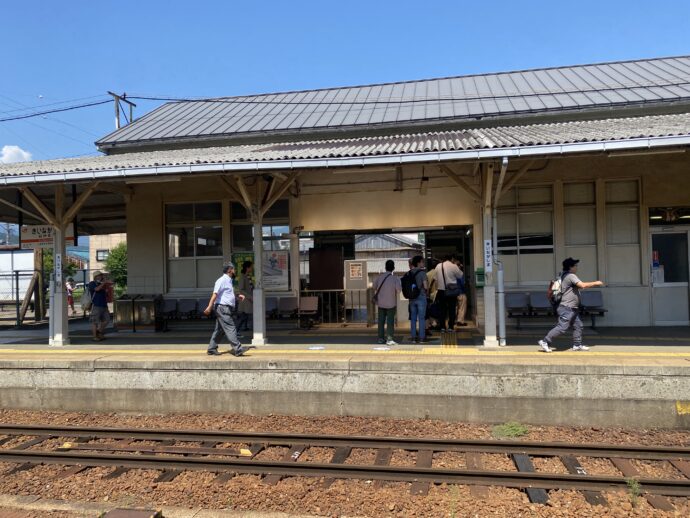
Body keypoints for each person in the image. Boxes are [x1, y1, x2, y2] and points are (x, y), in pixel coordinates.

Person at [539, 258, 604, 352]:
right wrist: (596, 283)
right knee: (562, 327)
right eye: (575, 265)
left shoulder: (563, 275)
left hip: (572, 308)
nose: (577, 267)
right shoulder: (570, 276)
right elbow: (582, 285)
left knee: (578, 325)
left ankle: (577, 345)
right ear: (571, 267)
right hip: (567, 307)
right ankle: (545, 341)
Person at [204, 262, 249, 356]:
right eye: (234, 269)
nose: (235, 270)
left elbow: (226, 294)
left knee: (219, 330)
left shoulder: (229, 280)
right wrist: (209, 306)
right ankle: (238, 349)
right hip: (222, 308)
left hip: (224, 308)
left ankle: (211, 349)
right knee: (231, 327)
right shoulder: (221, 280)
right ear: (230, 270)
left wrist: (237, 296)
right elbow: (215, 294)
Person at [373, 259, 402, 346]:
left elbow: (374, 287)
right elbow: (399, 290)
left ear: (385, 267)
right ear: (393, 268)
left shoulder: (379, 277)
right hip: (391, 304)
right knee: (390, 322)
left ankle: (381, 339)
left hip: (381, 304)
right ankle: (389, 339)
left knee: (381, 322)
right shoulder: (395, 279)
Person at [434, 255, 463, 330]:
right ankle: (450, 327)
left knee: (442, 309)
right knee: (452, 309)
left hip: (441, 291)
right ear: (452, 259)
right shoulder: (453, 266)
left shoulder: (438, 266)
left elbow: (435, 279)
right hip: (451, 291)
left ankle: (442, 327)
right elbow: (460, 275)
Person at [408, 255, 429, 343]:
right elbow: (425, 286)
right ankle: (421, 338)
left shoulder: (409, 273)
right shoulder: (422, 273)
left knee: (413, 318)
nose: (423, 263)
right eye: (422, 261)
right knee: (421, 318)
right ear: (418, 263)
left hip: (412, 298)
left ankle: (413, 337)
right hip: (421, 297)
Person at [87, 271, 112, 341]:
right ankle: (95, 336)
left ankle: (99, 331)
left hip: (104, 305)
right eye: (99, 275)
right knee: (95, 322)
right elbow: (97, 289)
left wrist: (106, 288)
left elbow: (106, 294)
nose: (101, 277)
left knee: (107, 320)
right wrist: (104, 283)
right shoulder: (92, 283)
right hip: (96, 305)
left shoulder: (102, 284)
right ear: (95, 277)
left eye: (101, 275)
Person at [237, 261, 254, 332]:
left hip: (248, 299)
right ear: (247, 268)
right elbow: (241, 289)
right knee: (244, 315)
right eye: (251, 267)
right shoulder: (242, 277)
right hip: (245, 300)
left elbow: (250, 287)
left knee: (245, 315)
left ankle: (244, 327)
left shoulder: (248, 276)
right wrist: (250, 296)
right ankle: (236, 330)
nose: (252, 268)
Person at [453, 260, 468, 327]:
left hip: (453, 293)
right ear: (459, 266)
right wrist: (465, 290)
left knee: (455, 308)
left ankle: (453, 320)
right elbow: (463, 284)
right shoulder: (460, 273)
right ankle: (460, 321)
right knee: (462, 307)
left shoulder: (452, 273)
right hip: (461, 292)